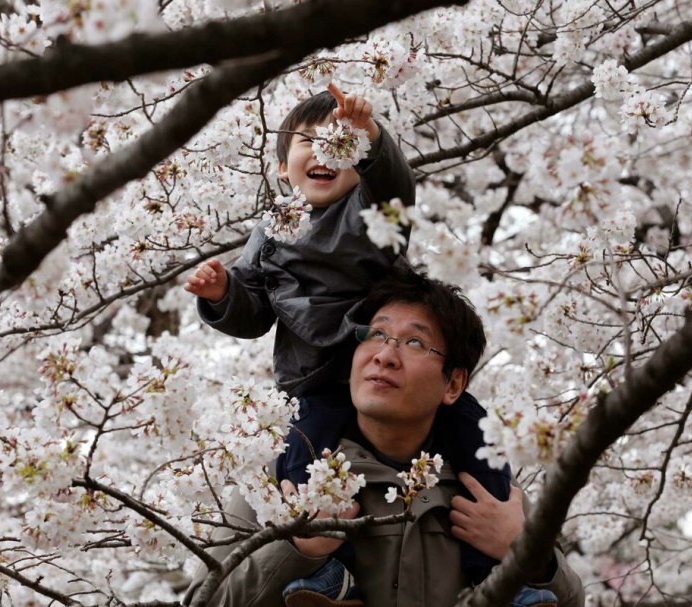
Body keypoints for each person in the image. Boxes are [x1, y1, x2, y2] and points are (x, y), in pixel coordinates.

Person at [183, 86, 519, 604]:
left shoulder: (369, 212)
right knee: (300, 463)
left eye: (338, 143)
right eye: (308, 142)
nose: (324, 151)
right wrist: (223, 293)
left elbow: (394, 190)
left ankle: (500, 574)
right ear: (281, 169)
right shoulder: (271, 232)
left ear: (359, 164)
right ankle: (327, 572)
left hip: (377, 373)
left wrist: (371, 138)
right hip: (314, 382)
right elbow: (254, 310)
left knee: (481, 440)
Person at [183, 269, 584, 607]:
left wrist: (532, 556)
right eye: (376, 334)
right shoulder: (278, 477)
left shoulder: (488, 492)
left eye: (414, 342)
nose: (385, 355)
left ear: (453, 384)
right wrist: (298, 550)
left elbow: (570, 600)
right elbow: (203, 600)